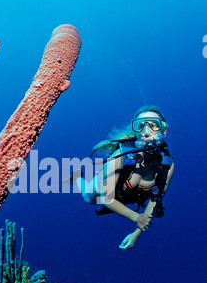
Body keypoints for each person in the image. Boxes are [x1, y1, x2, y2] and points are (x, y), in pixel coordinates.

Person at [74, 105, 174, 250]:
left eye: (153, 126)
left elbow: (155, 199)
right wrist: (136, 217)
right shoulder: (120, 156)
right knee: (88, 198)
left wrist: (136, 233)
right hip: (104, 189)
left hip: (125, 195)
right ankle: (77, 177)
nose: (146, 132)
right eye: (140, 126)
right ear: (136, 131)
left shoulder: (166, 167)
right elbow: (106, 198)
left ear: (163, 130)